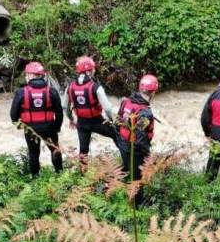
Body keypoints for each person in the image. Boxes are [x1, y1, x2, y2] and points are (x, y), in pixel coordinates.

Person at [9, 61, 63, 176]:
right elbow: (59, 113)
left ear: (31, 75)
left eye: (27, 74)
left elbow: (13, 114)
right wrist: (56, 128)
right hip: (49, 127)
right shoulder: (52, 91)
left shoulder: (21, 92)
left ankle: (35, 178)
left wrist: (19, 125)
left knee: (34, 154)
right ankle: (60, 175)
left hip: (30, 129)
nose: (25, 77)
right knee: (55, 150)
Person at [62, 56, 117, 166]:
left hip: (81, 123)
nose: (94, 70)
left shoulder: (70, 87)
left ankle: (83, 174)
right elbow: (108, 108)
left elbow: (64, 106)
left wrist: (71, 119)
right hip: (96, 121)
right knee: (117, 135)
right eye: (93, 69)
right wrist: (112, 121)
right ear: (88, 71)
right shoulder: (96, 87)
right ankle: (127, 164)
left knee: (83, 150)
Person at [116, 74, 158, 202]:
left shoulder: (126, 101)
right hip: (134, 149)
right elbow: (140, 138)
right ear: (153, 92)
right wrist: (148, 155)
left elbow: (118, 121)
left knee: (127, 170)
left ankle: (117, 189)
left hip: (122, 143)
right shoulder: (145, 113)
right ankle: (138, 205)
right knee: (137, 179)